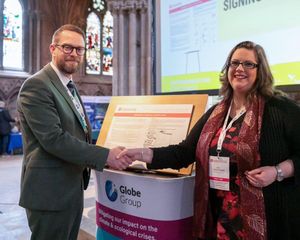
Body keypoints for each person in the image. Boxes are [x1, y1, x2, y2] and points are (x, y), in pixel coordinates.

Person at [119, 41, 300, 239]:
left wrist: (277, 171)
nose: (240, 69)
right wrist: (143, 153)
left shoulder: (280, 109)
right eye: (234, 63)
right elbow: (184, 152)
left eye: (248, 64)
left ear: (261, 71)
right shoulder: (216, 113)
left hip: (268, 219)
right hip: (219, 216)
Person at [17, 24, 133, 240]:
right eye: (68, 48)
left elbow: (78, 132)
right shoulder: (37, 85)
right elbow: (54, 139)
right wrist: (105, 155)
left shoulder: (67, 85)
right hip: (49, 193)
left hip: (70, 186)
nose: (74, 54)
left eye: (80, 49)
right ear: (53, 48)